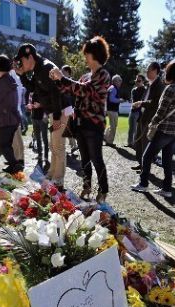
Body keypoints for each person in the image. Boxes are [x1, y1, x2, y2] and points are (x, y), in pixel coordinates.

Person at [50, 36, 112, 203]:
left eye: (87, 55)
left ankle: (103, 189)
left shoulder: (104, 75)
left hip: (94, 124)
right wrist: (57, 81)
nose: (85, 58)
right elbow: (72, 90)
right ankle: (87, 186)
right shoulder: (85, 76)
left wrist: (62, 78)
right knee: (84, 158)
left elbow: (85, 90)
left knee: (96, 158)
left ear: (94, 55)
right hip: (80, 123)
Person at [130, 59, 175, 199]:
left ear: (170, 72)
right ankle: (167, 189)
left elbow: (161, 111)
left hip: (164, 130)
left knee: (147, 156)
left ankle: (143, 184)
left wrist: (152, 123)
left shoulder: (170, 88)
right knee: (167, 161)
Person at [15, 43, 67, 188]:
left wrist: (56, 117)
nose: (20, 63)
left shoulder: (45, 67)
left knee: (58, 146)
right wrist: (22, 75)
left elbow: (56, 93)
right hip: (54, 111)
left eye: (21, 60)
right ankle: (51, 174)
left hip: (61, 110)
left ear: (30, 57)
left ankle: (58, 181)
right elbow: (33, 88)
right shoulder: (38, 69)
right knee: (53, 145)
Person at [0, 55, 23, 174]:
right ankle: (13, 165)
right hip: (12, 118)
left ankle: (15, 166)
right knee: (8, 144)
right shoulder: (9, 79)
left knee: (4, 145)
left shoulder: (3, 81)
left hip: (6, 119)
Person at [131, 61, 164, 171]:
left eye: (149, 70)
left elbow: (155, 103)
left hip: (150, 119)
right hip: (143, 117)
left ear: (155, 71)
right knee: (138, 142)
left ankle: (145, 170)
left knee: (145, 144)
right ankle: (141, 164)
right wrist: (140, 104)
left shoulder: (159, 85)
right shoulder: (149, 84)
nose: (146, 72)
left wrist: (141, 103)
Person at [28, 91, 50, 170]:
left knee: (45, 138)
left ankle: (46, 158)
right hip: (34, 117)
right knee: (37, 138)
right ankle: (40, 156)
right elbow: (30, 103)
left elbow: (49, 104)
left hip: (43, 118)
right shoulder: (31, 93)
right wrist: (29, 106)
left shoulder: (44, 90)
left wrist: (40, 105)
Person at [61, 65, 79, 158]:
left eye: (62, 71)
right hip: (63, 108)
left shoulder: (71, 82)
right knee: (66, 128)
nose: (61, 72)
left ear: (68, 72)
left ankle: (74, 145)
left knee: (70, 128)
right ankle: (73, 145)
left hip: (70, 109)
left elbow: (74, 96)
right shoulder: (61, 82)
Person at [127, 74, 146, 148]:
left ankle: (135, 143)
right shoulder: (133, 90)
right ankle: (129, 143)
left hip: (139, 112)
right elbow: (132, 100)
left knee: (137, 129)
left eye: (139, 81)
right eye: (136, 80)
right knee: (131, 128)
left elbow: (144, 102)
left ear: (143, 81)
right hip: (132, 111)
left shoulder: (145, 90)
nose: (137, 82)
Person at [104, 75, 123, 146]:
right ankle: (109, 142)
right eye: (120, 80)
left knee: (111, 125)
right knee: (114, 126)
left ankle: (105, 137)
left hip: (109, 109)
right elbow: (111, 99)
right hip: (113, 110)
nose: (121, 82)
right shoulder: (114, 88)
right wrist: (120, 100)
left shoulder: (110, 88)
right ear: (115, 81)